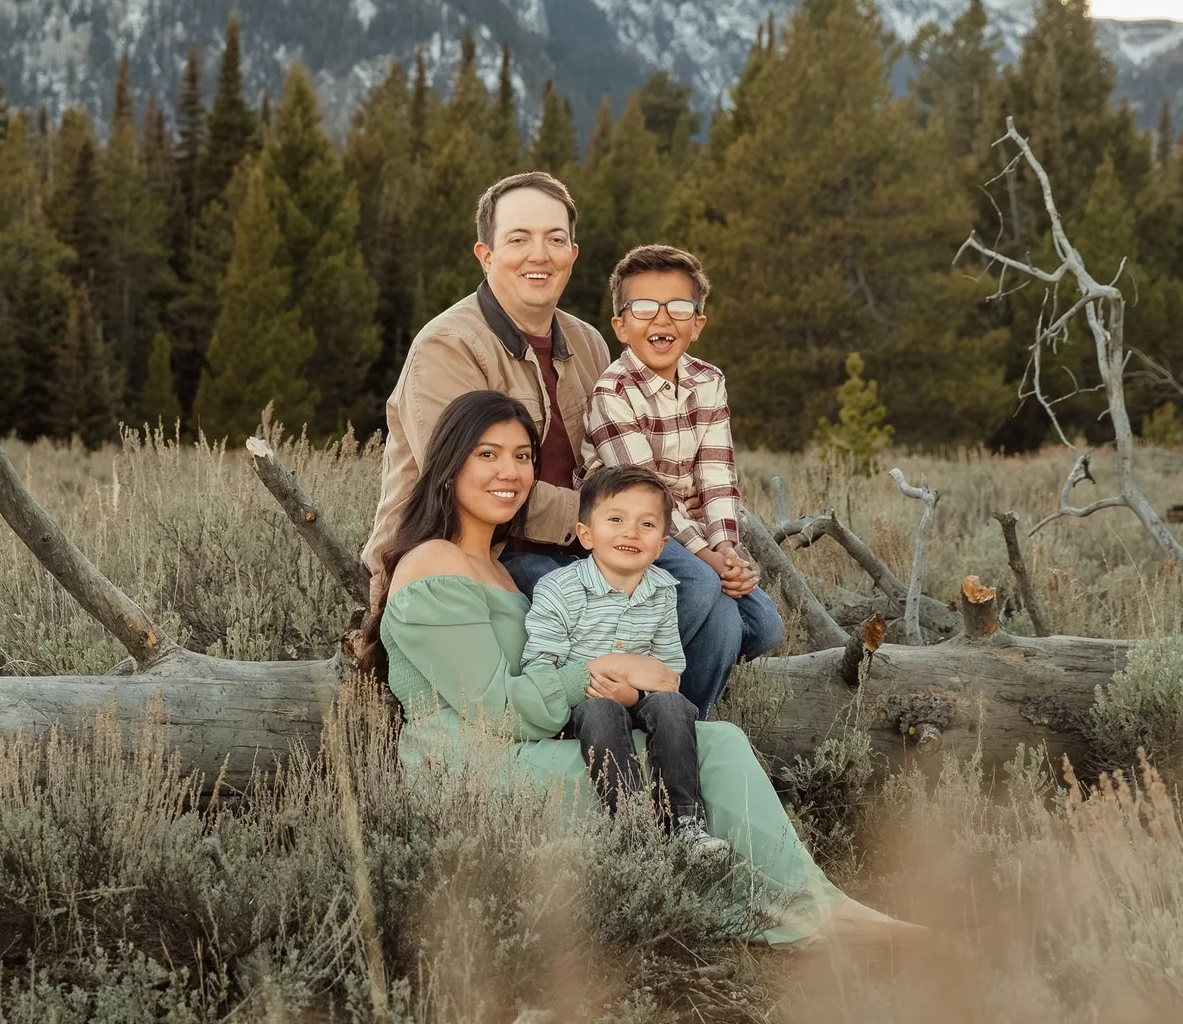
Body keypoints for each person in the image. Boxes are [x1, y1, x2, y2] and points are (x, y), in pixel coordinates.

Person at [376, 389, 908, 944]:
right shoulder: (434, 562)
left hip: (527, 751)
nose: (509, 470)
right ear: (448, 464)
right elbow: (495, 710)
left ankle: (810, 905)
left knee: (715, 742)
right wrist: (606, 666)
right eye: (486, 454)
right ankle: (787, 917)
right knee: (703, 756)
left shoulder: (497, 570)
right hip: (474, 778)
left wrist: (629, 692)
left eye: (522, 455)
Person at [360, 172, 607, 612]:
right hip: (477, 555)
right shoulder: (448, 347)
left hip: (582, 546)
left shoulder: (589, 343)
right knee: (620, 614)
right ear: (486, 255)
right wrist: (603, 518)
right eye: (518, 239)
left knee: (746, 617)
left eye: (554, 239)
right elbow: (473, 486)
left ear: (572, 254)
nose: (539, 255)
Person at [579, 244, 784, 714]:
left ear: (698, 323)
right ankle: (625, 675)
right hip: (633, 527)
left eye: (679, 308)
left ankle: (678, 720)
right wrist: (707, 557)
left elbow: (717, 473)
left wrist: (727, 548)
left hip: (693, 534)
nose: (662, 321)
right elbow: (648, 496)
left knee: (757, 626)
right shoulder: (612, 392)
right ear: (621, 325)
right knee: (700, 584)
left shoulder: (708, 380)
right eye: (644, 308)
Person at [522, 465, 729, 861]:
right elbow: (539, 667)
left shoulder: (663, 592)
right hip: (577, 706)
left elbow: (669, 675)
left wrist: (634, 695)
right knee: (600, 711)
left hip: (636, 700)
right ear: (586, 534)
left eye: (646, 524)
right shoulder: (559, 589)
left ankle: (686, 824)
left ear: (661, 544)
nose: (631, 532)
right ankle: (633, 828)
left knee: (674, 706)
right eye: (615, 519)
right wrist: (599, 683)